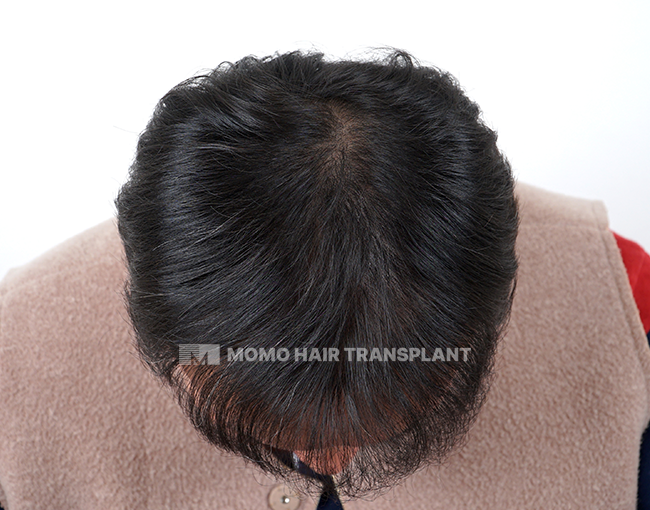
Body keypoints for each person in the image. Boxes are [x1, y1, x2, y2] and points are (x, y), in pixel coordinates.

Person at [0, 50, 648, 509]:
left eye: (389, 406)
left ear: (492, 311)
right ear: (159, 330)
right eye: (286, 420)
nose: (330, 462)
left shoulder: (626, 304)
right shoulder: (17, 355)